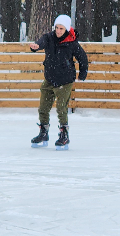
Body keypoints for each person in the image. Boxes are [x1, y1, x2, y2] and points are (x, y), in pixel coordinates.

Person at [28, 14, 89, 150]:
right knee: (43, 107)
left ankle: (64, 135)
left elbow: (83, 58)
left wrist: (82, 74)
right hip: (50, 78)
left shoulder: (72, 42)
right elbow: (41, 42)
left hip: (65, 80)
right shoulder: (49, 38)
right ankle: (43, 132)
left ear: (66, 29)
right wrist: (36, 46)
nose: (58, 31)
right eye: (57, 27)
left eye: (61, 28)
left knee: (61, 108)